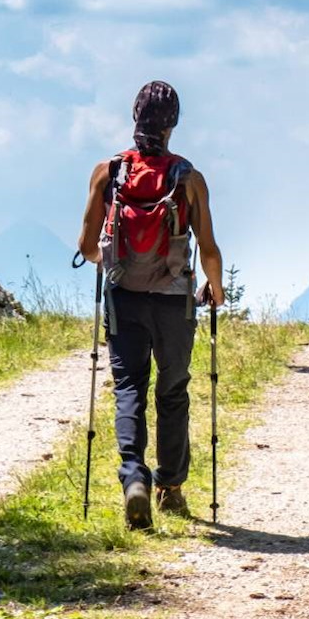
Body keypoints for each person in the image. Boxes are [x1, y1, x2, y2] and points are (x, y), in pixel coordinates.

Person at [77, 80, 224, 530]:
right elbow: (210, 247)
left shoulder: (110, 171)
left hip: (124, 297)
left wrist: (118, 260)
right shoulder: (189, 178)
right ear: (173, 124)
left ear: (134, 118)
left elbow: (86, 246)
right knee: (173, 390)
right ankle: (171, 488)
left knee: (129, 389)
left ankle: (134, 479)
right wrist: (214, 289)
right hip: (174, 302)